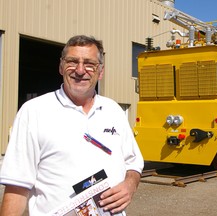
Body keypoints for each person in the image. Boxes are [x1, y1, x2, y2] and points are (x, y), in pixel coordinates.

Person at [0, 35, 144, 215]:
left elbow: (133, 162)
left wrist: (130, 185)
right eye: (72, 62)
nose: (80, 70)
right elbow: (16, 187)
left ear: (100, 71)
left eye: (89, 63)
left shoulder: (113, 110)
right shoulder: (34, 112)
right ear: (61, 67)